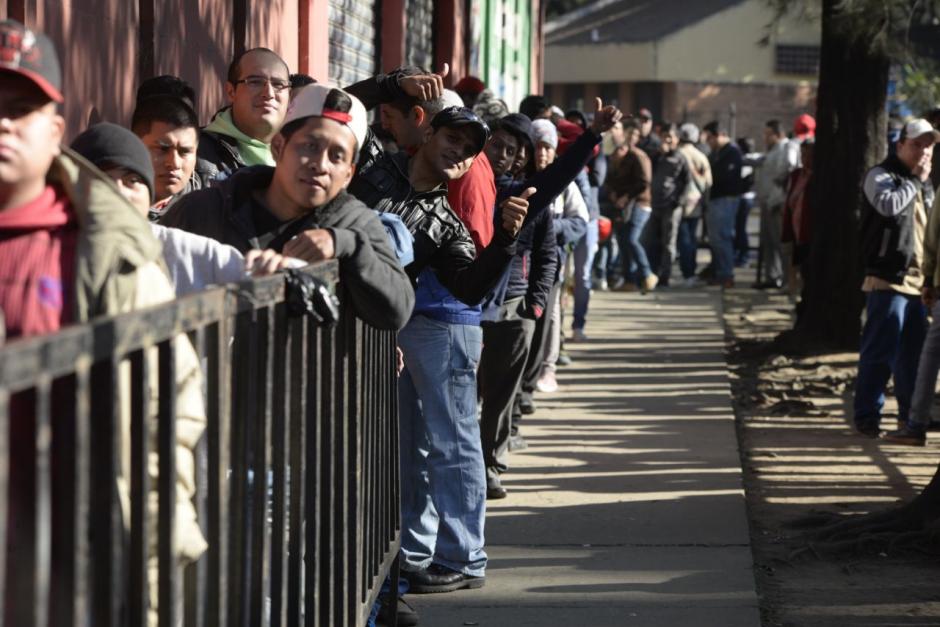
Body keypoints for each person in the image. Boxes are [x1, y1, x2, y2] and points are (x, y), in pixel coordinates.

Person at [0, 21, 206, 625]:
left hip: (72, 553)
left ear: (55, 132)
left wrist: (156, 544)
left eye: (21, 108)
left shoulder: (110, 250)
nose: (3, 123)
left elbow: (169, 408)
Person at [348, 106, 530, 596]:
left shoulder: (446, 223)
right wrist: (398, 84)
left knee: (454, 445)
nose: (459, 151)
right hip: (389, 331)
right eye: (452, 138)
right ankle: (413, 550)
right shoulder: (374, 170)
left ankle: (463, 556)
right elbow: (348, 107)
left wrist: (507, 239)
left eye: (470, 149)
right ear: (426, 132)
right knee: (408, 446)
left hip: (442, 329)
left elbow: (470, 287)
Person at [162, 84, 415, 331]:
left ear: (349, 174)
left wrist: (348, 245)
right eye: (310, 146)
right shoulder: (205, 209)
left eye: (337, 155)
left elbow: (397, 311)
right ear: (278, 147)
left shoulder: (355, 223)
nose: (320, 165)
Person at [70, 122, 292, 294]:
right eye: (103, 180)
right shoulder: (45, 253)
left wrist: (277, 268)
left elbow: (269, 272)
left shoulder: (178, 250)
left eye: (132, 180)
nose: (119, 192)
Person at [854, 119, 939, 438]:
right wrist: (915, 181)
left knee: (914, 356)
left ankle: (909, 416)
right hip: (887, 277)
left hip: (918, 281)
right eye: (917, 144)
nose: (924, 152)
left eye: (929, 145)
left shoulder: (925, 183)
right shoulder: (881, 176)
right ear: (899, 144)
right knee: (880, 351)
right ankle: (867, 416)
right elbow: (887, 207)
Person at [528, 119, 588, 395]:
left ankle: (548, 368)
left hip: (551, 264)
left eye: (547, 148)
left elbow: (580, 221)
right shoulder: (521, 180)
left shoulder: (565, 184)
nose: (542, 153)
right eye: (537, 147)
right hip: (520, 266)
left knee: (551, 317)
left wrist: (550, 228)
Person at [195, 47, 291, 184]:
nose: (269, 93)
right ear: (231, 92)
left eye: (278, 84)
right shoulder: (193, 152)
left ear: (289, 96)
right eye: (255, 82)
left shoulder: (302, 156)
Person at [131, 94, 202, 220]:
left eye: (184, 152)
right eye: (162, 149)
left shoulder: (213, 213)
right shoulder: (107, 209)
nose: (174, 163)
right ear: (135, 145)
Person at [606, 118, 656, 292]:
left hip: (639, 204)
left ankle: (647, 274)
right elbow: (611, 180)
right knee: (624, 241)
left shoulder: (637, 156)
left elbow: (644, 182)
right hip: (624, 206)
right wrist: (613, 192)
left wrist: (626, 197)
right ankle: (630, 280)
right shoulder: (615, 157)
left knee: (631, 239)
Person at [754, 119, 800, 289]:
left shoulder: (787, 147)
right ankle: (772, 276)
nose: (765, 138)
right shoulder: (772, 150)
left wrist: (780, 184)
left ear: (778, 134)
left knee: (782, 243)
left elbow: (789, 167)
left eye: (768, 134)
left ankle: (788, 280)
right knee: (769, 242)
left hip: (778, 200)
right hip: (768, 200)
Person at [646, 123, 689, 287]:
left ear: (677, 139)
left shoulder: (680, 158)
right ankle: (653, 272)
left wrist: (677, 201)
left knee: (668, 243)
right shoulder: (656, 156)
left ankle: (666, 275)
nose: (668, 140)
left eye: (671, 137)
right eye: (665, 137)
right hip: (654, 205)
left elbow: (686, 182)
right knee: (652, 241)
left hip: (670, 207)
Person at [703, 120, 743, 288]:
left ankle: (726, 274)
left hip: (726, 199)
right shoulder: (717, 153)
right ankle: (720, 272)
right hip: (715, 199)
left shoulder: (732, 152)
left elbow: (723, 176)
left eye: (710, 138)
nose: (708, 142)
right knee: (715, 239)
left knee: (723, 237)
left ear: (719, 135)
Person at [676, 123, 712, 286]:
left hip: (677, 202)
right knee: (691, 239)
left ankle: (687, 272)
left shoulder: (676, 154)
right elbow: (708, 182)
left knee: (683, 240)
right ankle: (689, 272)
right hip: (695, 203)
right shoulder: (700, 156)